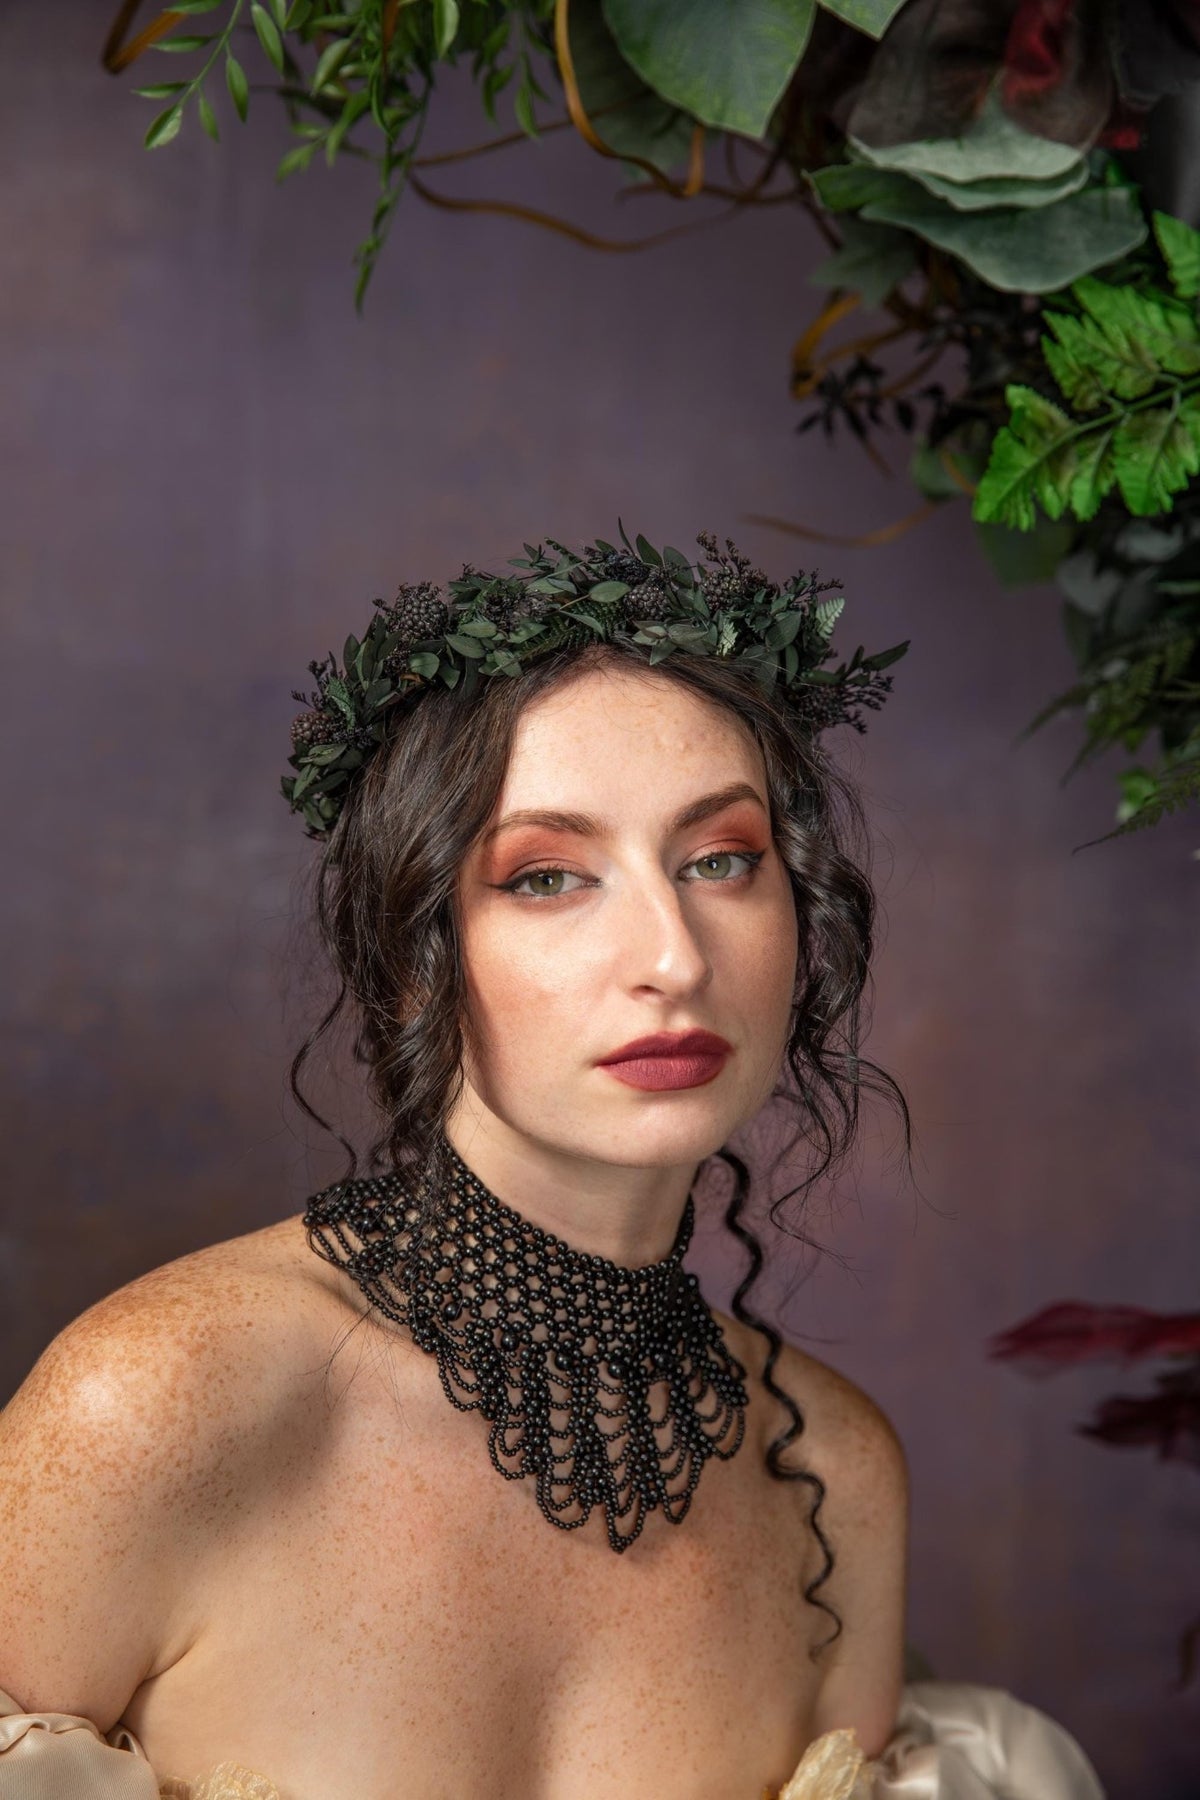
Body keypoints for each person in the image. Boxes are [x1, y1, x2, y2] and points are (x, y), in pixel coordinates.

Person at [0, 531, 1105, 1799]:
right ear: (413, 957)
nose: (674, 957)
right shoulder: (160, 1400)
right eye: (548, 878)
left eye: (721, 861)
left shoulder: (833, 1480)